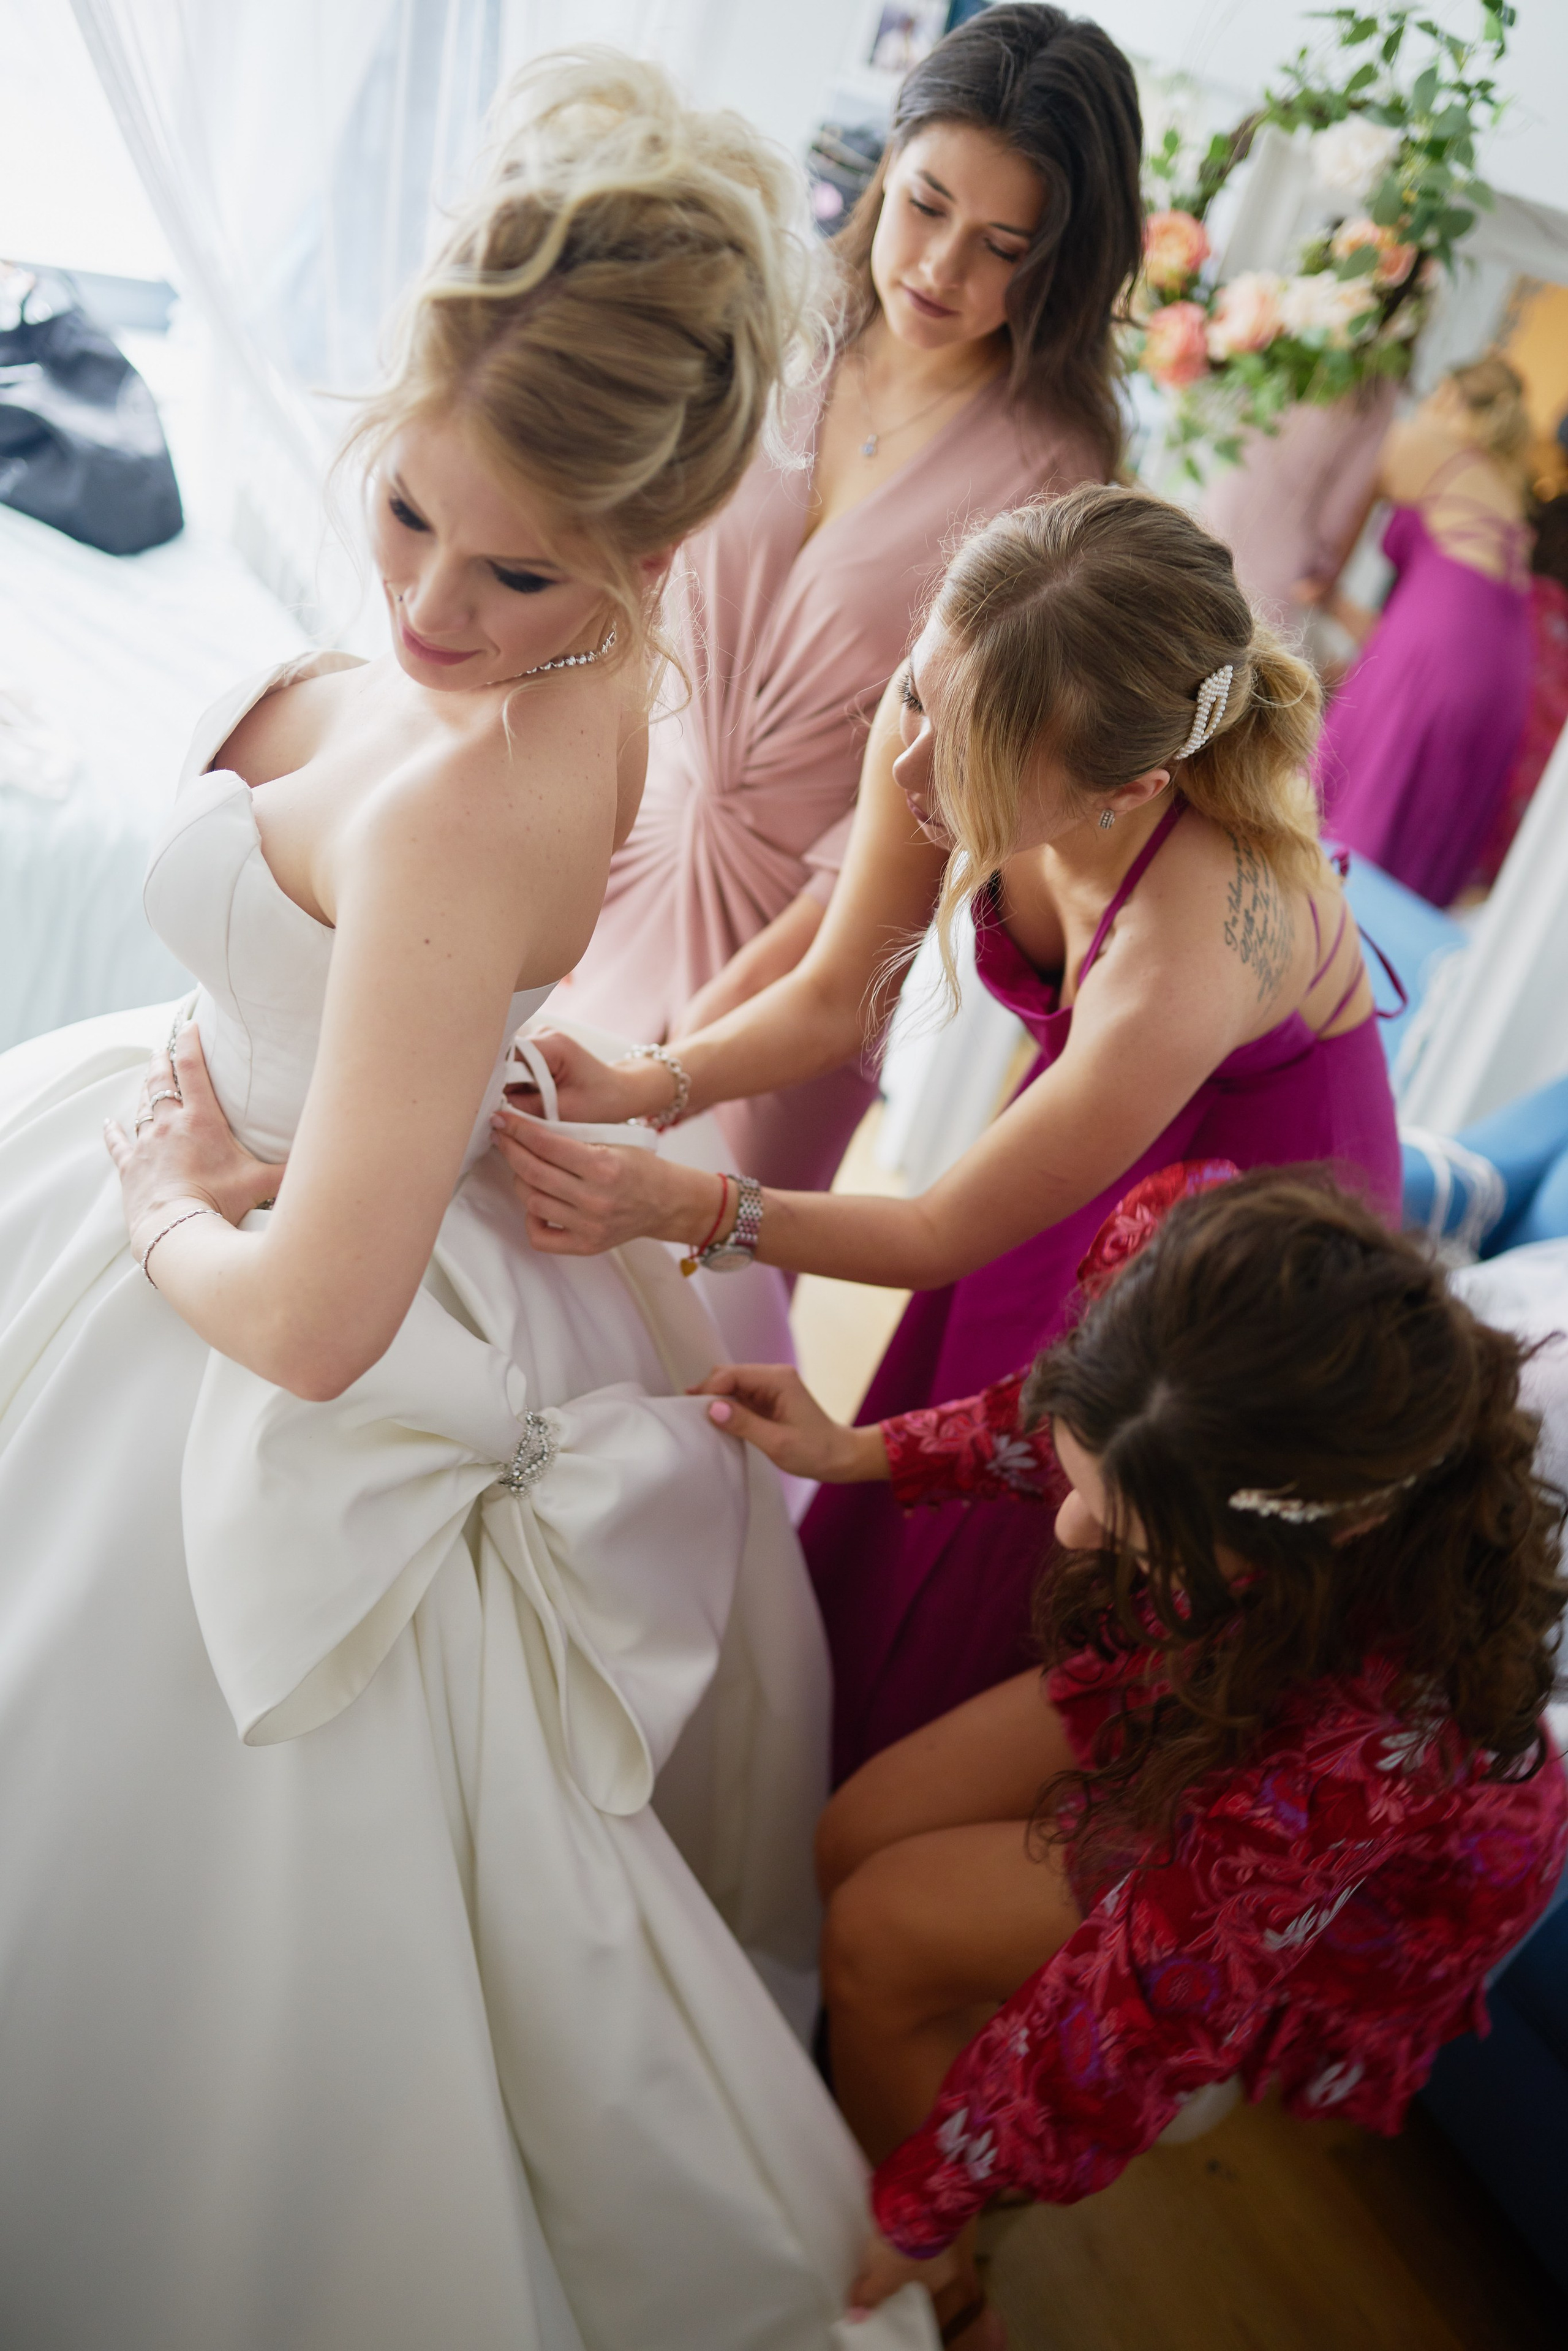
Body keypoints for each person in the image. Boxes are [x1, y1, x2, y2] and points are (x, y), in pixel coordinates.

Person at [0, 58, 925, 2351]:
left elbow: (316, 1325)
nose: (426, 599)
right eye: (408, 511)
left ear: (653, 541)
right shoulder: (593, 665)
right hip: (373, 1162)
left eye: (511, 569)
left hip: (269, 1264)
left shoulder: (453, 803)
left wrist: (165, 1199)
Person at [491, 485, 1403, 1780]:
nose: (911, 766)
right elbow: (832, 990)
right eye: (918, 697)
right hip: (1087, 1124)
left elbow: (930, 1229)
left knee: (1036, 1531)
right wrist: (652, 1077)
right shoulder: (962, 699)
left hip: (1248, 1247)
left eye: (965, 758)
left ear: (1130, 786)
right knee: (924, 1458)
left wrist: (679, 1204)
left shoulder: (1193, 943)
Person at [693, 1171, 1568, 2347]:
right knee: (856, 1830)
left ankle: (955, 2293)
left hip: (1324, 1838)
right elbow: (1097, 1411)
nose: (1069, 1531)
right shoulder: (1178, 1257)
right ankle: (905, 2083)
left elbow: (1145, 1998)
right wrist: (855, 1451)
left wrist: (925, 2206)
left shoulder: (1372, 1741)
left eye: (1126, 1530)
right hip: (1212, 1652)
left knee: (879, 1934)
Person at [554, 3, 1142, 1192]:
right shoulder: (772, 322)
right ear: (886, 165)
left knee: (670, 1282)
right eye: (926, 205)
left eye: (1002, 246)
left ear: (1059, 263)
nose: (940, 267)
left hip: (810, 945)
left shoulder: (1054, 475)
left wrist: (716, 1029)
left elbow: (951, 784)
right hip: (602, 841)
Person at [1305, 355, 1536, 908]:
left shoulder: (1420, 441)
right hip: (1505, 673)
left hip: (1437, 652)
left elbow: (1328, 543)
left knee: (1368, 798)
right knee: (1421, 819)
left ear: (1449, 398)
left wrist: (1324, 593)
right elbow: (1446, 609)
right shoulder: (1506, 489)